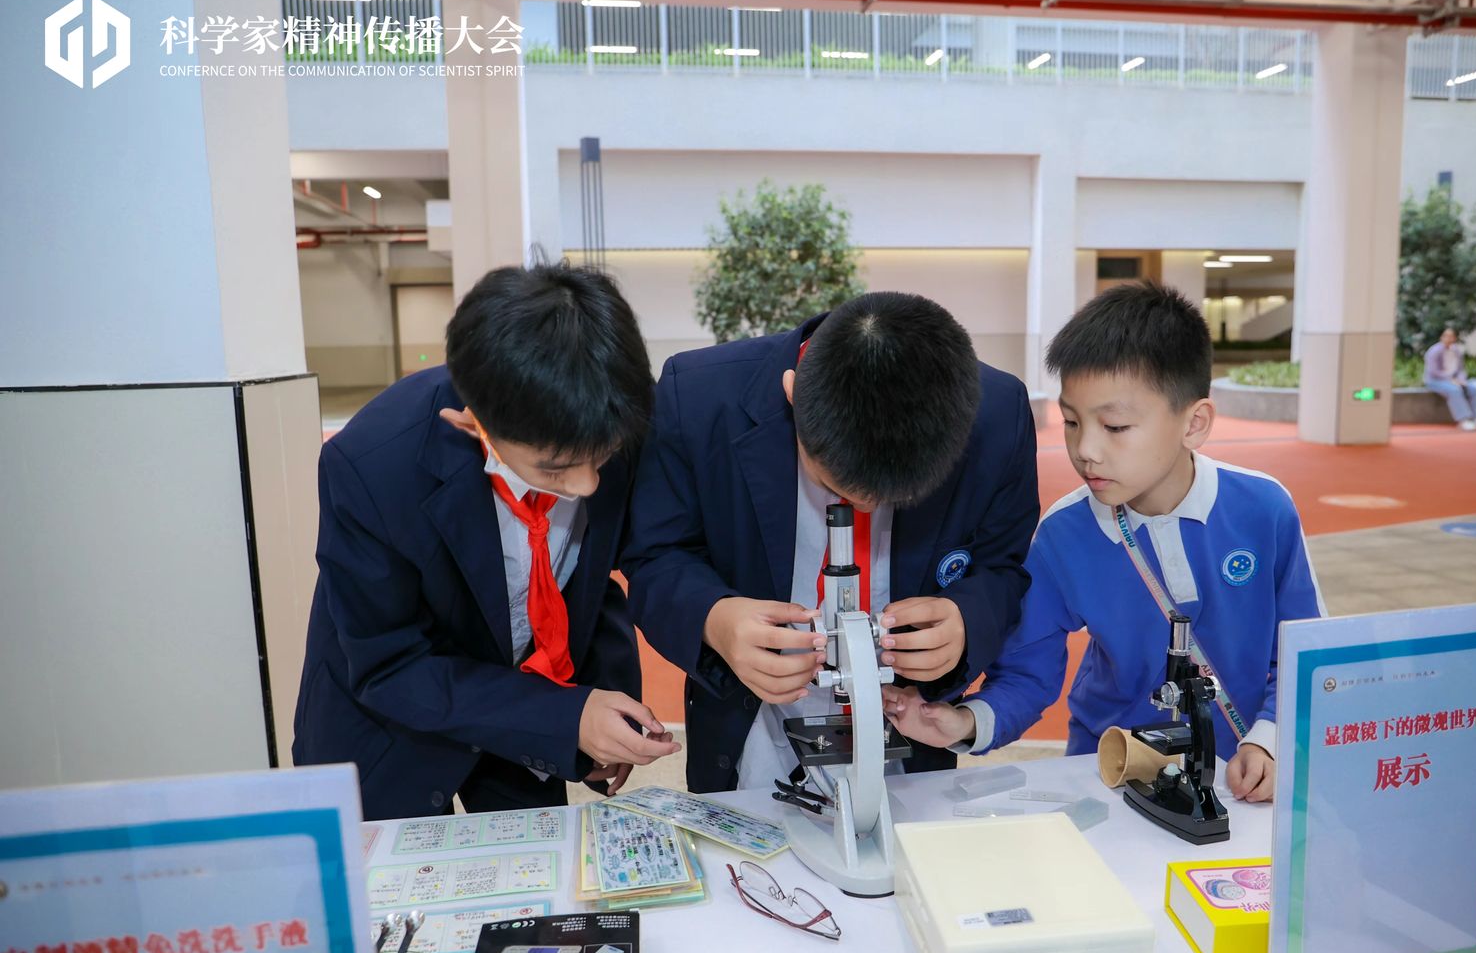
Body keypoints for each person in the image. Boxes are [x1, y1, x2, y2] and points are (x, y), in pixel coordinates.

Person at [883, 281, 1324, 803]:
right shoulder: (1063, 535)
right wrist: (963, 722)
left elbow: (1303, 651)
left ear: (1195, 423)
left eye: (1114, 426)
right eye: (1071, 421)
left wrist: (1269, 739)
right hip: (1111, 773)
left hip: (1241, 779)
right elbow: (1026, 673)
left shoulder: (1264, 509)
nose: (1085, 449)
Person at [294, 261, 680, 820]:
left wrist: (601, 708)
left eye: (603, 458)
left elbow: (590, 586)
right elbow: (389, 664)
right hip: (386, 733)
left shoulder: (611, 415)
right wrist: (564, 717)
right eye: (554, 470)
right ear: (472, 422)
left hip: (522, 726)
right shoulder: (372, 466)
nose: (587, 485)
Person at [621, 291, 1039, 794]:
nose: (862, 506)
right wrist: (716, 620)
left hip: (906, 726)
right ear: (792, 395)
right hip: (750, 718)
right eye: (836, 485)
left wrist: (966, 620)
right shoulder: (698, 397)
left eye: (888, 497)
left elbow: (1002, 567)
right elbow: (656, 556)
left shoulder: (999, 415)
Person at [1424, 328, 1476, 431]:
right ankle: (1463, 419)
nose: (1448, 338)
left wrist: (1461, 379)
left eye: (1451, 336)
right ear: (1441, 337)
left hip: (1455, 380)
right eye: (1446, 336)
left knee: (1475, 388)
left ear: (1454, 338)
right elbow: (1433, 371)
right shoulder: (1434, 351)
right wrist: (1450, 380)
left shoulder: (1456, 351)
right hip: (1436, 381)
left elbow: (1461, 369)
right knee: (1454, 390)